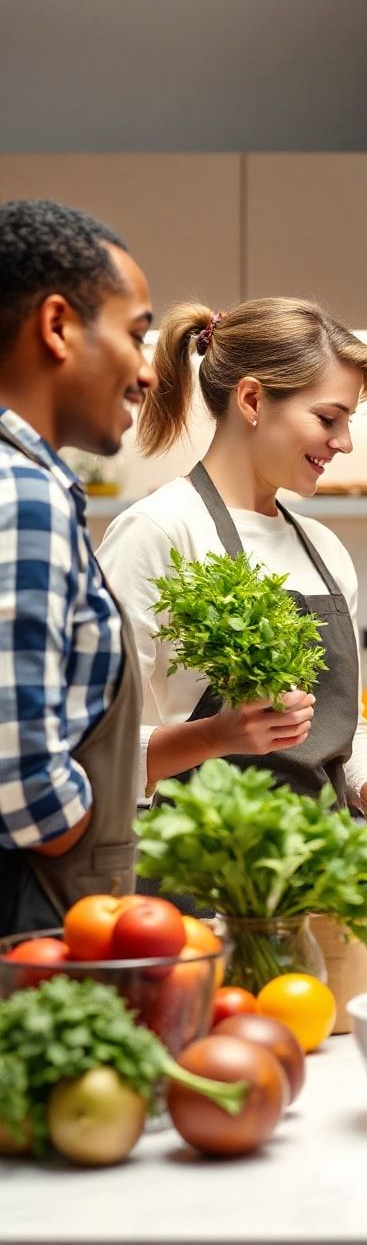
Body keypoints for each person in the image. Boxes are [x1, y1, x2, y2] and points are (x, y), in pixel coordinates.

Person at [96, 297, 367, 881]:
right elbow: (98, 745)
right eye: (329, 418)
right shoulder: (158, 532)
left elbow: (342, 720)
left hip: (315, 873)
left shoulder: (323, 549)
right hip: (198, 875)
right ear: (251, 400)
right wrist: (217, 736)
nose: (344, 442)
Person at [0, 199, 153, 934]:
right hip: (30, 911)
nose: (148, 373)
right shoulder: (22, 495)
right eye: (136, 334)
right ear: (58, 325)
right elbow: (24, 789)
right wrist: (81, 823)